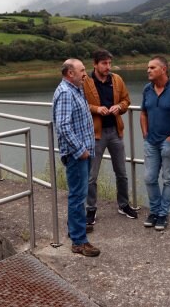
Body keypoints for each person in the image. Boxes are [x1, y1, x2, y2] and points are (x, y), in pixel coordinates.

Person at [83, 50, 138, 224]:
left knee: (121, 173)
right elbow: (81, 103)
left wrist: (119, 107)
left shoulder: (117, 80)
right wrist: (96, 109)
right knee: (92, 176)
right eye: (104, 63)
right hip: (95, 134)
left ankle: (123, 204)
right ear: (95, 64)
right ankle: (91, 209)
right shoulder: (85, 81)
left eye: (109, 63)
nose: (108, 67)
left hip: (115, 131)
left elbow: (126, 100)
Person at [52, 58, 100, 257]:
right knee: (78, 196)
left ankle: (76, 228)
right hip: (77, 154)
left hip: (83, 152)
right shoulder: (65, 93)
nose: (85, 73)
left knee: (79, 194)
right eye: (82, 70)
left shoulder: (76, 89)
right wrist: (81, 150)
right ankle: (79, 242)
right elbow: (63, 126)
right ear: (70, 73)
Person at [140, 56, 170, 231]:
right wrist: (145, 133)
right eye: (147, 68)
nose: (148, 70)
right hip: (151, 142)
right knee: (149, 178)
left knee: (168, 179)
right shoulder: (147, 89)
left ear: (164, 69)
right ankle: (155, 210)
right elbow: (143, 113)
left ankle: (163, 214)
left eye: (152, 67)